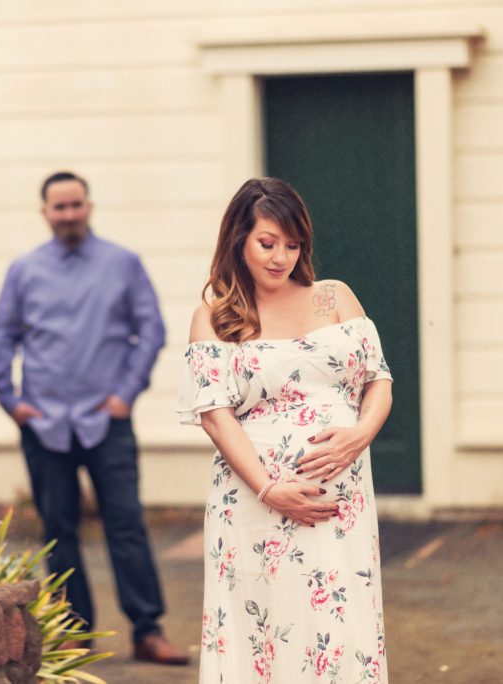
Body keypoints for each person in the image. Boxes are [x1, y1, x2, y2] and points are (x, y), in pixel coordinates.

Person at [177, 177, 394, 682]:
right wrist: (270, 488)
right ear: (239, 241)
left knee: (340, 625)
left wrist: (361, 435)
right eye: (267, 243)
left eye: (292, 245)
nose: (281, 258)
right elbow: (214, 414)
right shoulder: (214, 317)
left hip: (342, 498)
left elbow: (378, 379)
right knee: (265, 629)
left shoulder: (334, 297)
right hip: (254, 500)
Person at [0, 171, 189, 665]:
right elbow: (0, 338)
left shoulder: (123, 264)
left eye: (76, 204)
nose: (69, 213)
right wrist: (12, 401)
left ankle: (148, 630)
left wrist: (126, 395)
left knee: (127, 525)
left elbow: (152, 330)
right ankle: (75, 630)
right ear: (46, 213)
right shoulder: (24, 270)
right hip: (45, 423)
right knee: (59, 529)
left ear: (88, 206)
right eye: (60, 207)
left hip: (108, 421)